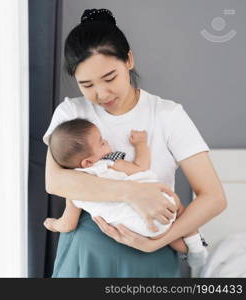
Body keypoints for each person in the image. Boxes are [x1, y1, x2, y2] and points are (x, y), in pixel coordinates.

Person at [43, 8, 226, 277]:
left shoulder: (167, 115)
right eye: (87, 85)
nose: (101, 93)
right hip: (87, 250)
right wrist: (134, 193)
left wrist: (158, 242)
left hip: (151, 249)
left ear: (129, 60)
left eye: (110, 78)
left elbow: (213, 197)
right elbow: (56, 181)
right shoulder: (72, 114)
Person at [43, 118, 208, 272]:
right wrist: (141, 145)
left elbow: (68, 225)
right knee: (178, 210)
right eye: (102, 143)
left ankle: (192, 250)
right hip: (157, 203)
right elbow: (141, 167)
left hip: (133, 229)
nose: (106, 142)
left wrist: (53, 224)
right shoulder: (109, 163)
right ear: (88, 162)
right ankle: (196, 249)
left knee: (161, 231)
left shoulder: (74, 189)